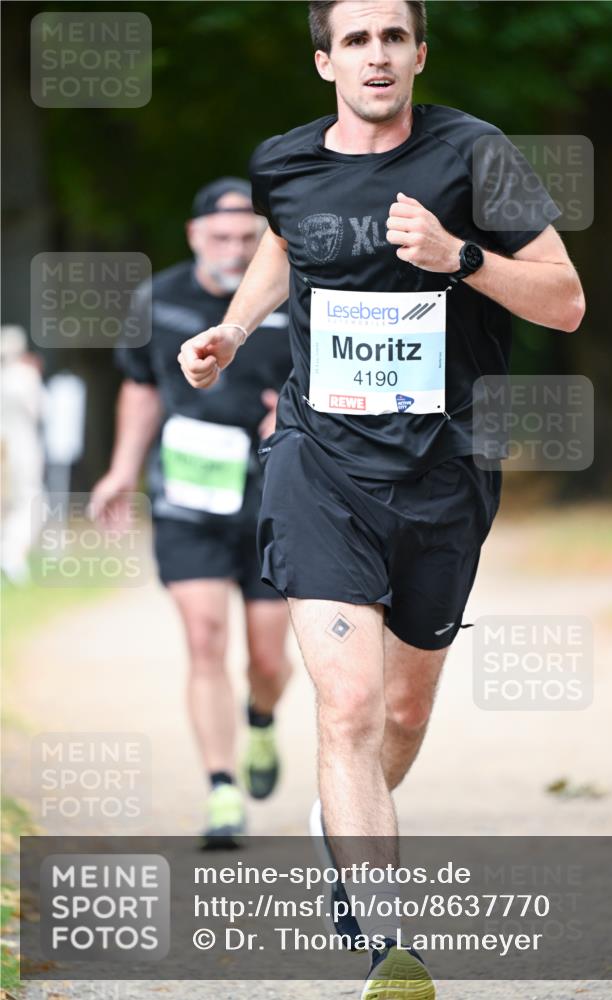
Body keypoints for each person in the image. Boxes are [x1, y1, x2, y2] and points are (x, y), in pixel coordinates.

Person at [178, 3, 585, 994]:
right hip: (317, 459)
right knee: (348, 703)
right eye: (354, 40)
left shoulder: (475, 154)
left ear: (418, 55)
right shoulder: (287, 160)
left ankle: (337, 818)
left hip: (444, 472)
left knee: (400, 711)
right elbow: (281, 245)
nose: (375, 55)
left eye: (391, 37)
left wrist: (461, 258)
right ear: (325, 61)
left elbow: (565, 300)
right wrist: (233, 330)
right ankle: (383, 945)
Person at [91, 178, 294, 848]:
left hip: (274, 500)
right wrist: (122, 469)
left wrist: (289, 420)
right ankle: (220, 789)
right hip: (187, 499)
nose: (234, 251)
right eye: (221, 237)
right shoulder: (162, 299)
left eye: (247, 238)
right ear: (193, 235)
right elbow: (142, 386)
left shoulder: (291, 300)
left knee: (268, 662)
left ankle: (260, 722)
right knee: (204, 637)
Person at [0, 325, 46, 584]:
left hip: (5, 445)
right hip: (22, 445)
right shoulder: (24, 375)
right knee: (31, 501)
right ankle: (12, 555)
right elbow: (39, 410)